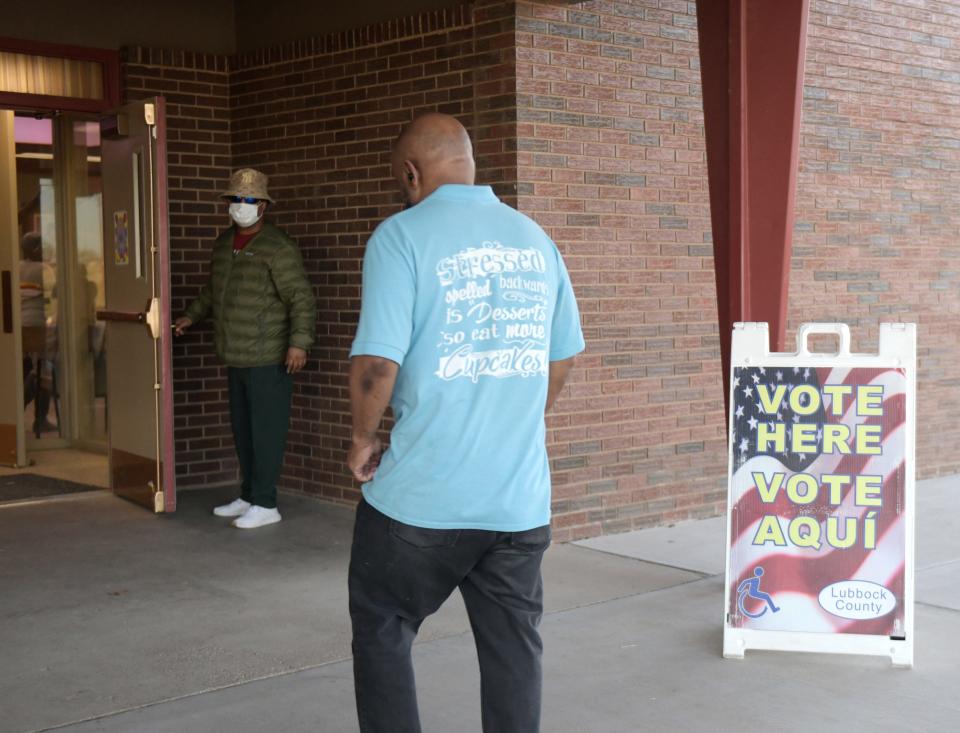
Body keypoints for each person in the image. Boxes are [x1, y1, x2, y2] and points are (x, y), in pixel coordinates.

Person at [347, 113, 584, 733]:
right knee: (513, 648)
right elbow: (561, 360)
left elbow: (376, 365)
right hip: (518, 503)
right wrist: (510, 422)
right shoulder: (536, 239)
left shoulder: (400, 237)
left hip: (421, 502)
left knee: (383, 626)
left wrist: (362, 438)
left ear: (411, 172)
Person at [174, 169, 316, 529]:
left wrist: (299, 344)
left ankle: (266, 502)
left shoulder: (278, 247)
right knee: (243, 429)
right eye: (236, 199)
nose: (242, 206)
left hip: (268, 356)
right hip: (234, 353)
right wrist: (189, 318)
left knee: (266, 431)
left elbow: (300, 297)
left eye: (250, 200)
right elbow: (212, 291)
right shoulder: (224, 244)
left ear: (263, 207)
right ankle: (249, 494)